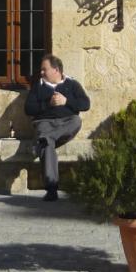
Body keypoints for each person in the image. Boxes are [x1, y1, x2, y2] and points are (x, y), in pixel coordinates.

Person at [24, 53, 90, 201]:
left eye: (44, 69)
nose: (41, 72)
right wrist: (48, 104)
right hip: (45, 123)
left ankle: (44, 139)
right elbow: (28, 109)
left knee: (76, 121)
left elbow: (85, 104)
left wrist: (66, 101)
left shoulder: (72, 84)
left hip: (66, 123)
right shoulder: (37, 86)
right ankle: (52, 189)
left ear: (56, 70)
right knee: (48, 145)